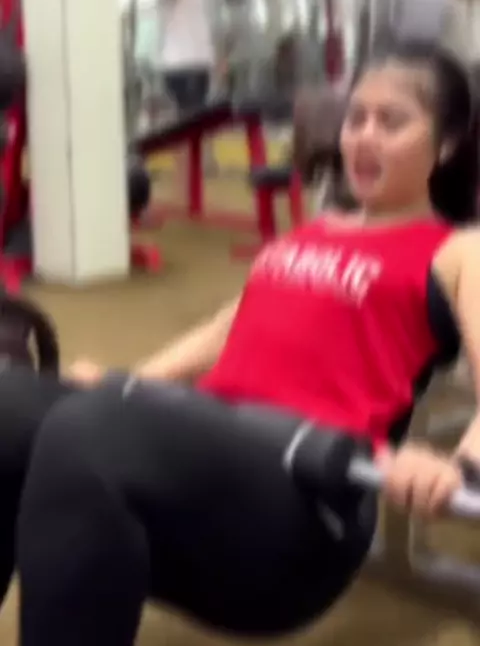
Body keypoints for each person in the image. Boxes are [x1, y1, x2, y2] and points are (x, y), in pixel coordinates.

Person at [2, 44, 480, 645]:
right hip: (202, 448)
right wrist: (128, 377)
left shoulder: (458, 250)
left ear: (447, 143)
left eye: (392, 122)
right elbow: (225, 328)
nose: (363, 137)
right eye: (356, 118)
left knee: (88, 433)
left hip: (302, 506)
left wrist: (459, 467)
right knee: (10, 407)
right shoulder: (311, 233)